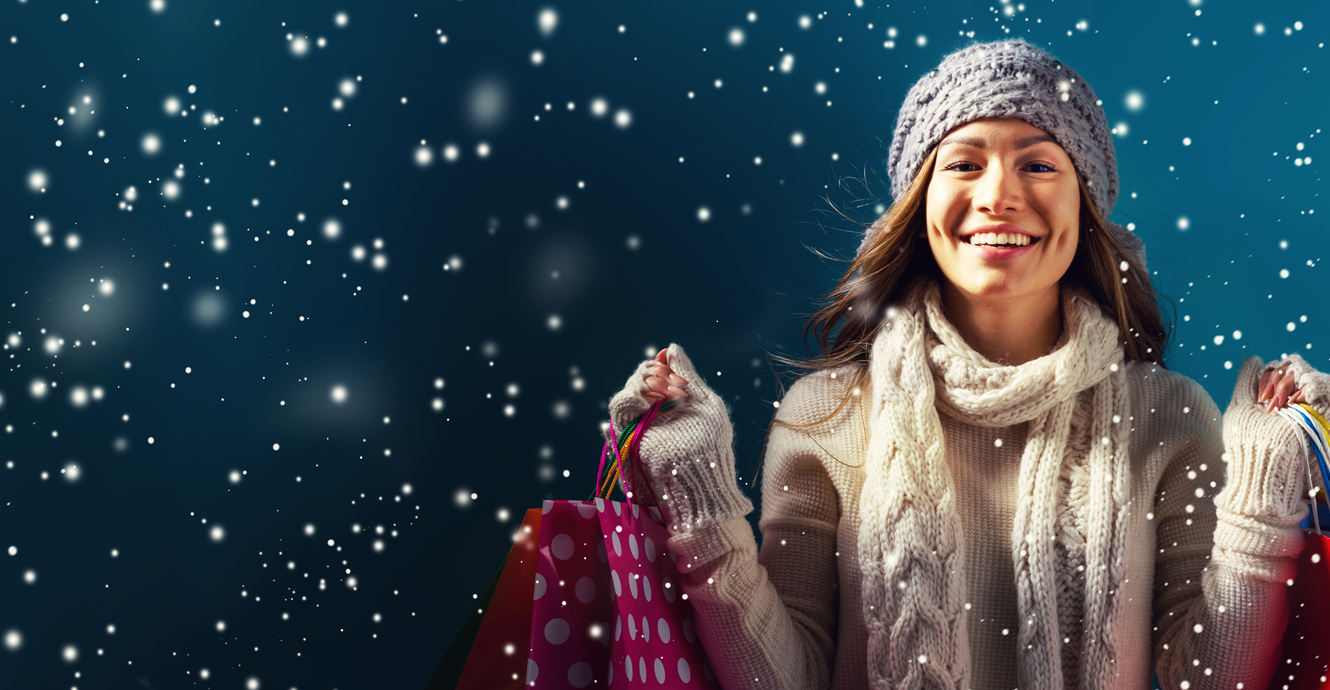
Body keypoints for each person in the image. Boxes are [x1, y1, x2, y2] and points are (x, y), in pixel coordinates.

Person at [605, 38, 1330, 690]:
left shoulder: (1169, 413)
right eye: (964, 162)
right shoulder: (825, 415)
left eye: (1039, 163)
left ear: (1087, 208)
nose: (999, 196)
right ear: (919, 203)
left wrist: (1265, 498)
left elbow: (1205, 683)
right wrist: (698, 500)